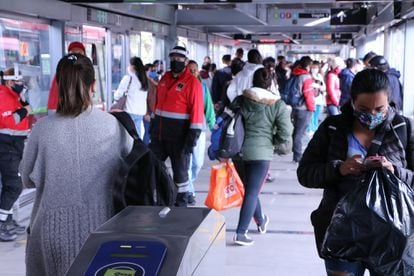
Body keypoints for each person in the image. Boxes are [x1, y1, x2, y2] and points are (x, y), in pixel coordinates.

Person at [20, 53, 133, 275]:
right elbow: (132, 170)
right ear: (93, 85)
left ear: (59, 85)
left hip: (50, 232)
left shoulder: (42, 130)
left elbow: (27, 179)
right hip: (104, 230)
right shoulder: (114, 126)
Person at [297, 69, 414, 276]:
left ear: (390, 102)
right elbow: (305, 173)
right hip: (342, 231)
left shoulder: (404, 128)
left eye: (380, 108)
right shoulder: (333, 128)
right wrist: (338, 168)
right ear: (352, 102)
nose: (371, 114)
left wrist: (393, 170)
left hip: (392, 235)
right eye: (363, 108)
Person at [233, 68, 293, 246]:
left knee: (250, 189)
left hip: (238, 151)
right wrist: (272, 142)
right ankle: (241, 233)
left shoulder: (241, 99)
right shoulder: (277, 104)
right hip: (261, 154)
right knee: (251, 191)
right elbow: (286, 132)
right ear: (272, 82)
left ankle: (260, 221)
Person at [149, 46, 204, 207]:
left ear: (186, 61)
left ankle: (181, 207)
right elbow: (157, 107)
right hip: (159, 136)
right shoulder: (164, 79)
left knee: (180, 176)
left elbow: (197, 113)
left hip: (180, 139)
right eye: (173, 58)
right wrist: (153, 129)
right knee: (152, 168)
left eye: (179, 59)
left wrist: (191, 141)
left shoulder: (192, 83)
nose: (175, 61)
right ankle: (159, 200)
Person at [0, 68, 31, 241]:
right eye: (18, 81)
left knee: (10, 185)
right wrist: (25, 109)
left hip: (15, 145)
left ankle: (8, 221)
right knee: (14, 185)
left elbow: (26, 111)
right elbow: (10, 121)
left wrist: (24, 103)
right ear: (9, 82)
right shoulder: (3, 96)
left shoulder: (14, 96)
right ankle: (1, 222)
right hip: (6, 146)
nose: (21, 84)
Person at [187, 60, 215, 205]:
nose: (192, 72)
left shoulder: (202, 87)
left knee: (197, 163)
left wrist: (212, 123)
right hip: (184, 130)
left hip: (200, 129)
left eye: (194, 70)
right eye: (189, 70)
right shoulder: (183, 87)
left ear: (198, 71)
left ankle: (189, 183)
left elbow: (208, 108)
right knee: (187, 162)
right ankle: (189, 191)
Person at [114, 57, 148, 138]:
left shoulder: (128, 78)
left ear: (133, 67)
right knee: (137, 137)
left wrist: (115, 97)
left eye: (129, 65)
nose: (128, 67)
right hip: (140, 113)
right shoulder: (144, 80)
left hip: (129, 112)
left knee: (127, 138)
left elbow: (118, 95)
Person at [47, 41, 86, 114]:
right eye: (73, 53)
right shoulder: (62, 72)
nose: (76, 56)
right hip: (65, 113)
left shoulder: (86, 71)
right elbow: (54, 97)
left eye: (79, 53)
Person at [291, 56, 315, 163]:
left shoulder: (295, 74)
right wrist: (311, 108)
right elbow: (308, 94)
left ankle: (295, 152)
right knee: (299, 133)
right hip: (304, 108)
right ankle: (298, 156)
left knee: (296, 131)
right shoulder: (306, 77)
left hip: (295, 107)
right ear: (308, 66)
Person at [308, 61, 326, 134]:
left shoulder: (320, 76)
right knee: (311, 115)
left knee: (316, 115)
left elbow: (324, 87)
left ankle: (315, 128)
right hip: (312, 98)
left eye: (316, 68)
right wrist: (318, 86)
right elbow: (309, 85)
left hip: (319, 98)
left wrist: (321, 87)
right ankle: (310, 129)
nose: (314, 69)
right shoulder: (309, 76)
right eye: (313, 67)